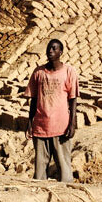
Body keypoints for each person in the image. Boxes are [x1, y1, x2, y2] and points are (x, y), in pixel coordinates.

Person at [24, 39, 78, 182]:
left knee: (64, 166)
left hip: (61, 127)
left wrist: (72, 124)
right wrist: (30, 123)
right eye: (49, 48)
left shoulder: (69, 71)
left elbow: (73, 100)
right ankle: (40, 195)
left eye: (54, 49)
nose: (50, 51)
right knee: (40, 169)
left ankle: (65, 197)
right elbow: (33, 100)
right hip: (41, 126)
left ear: (61, 52)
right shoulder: (38, 72)